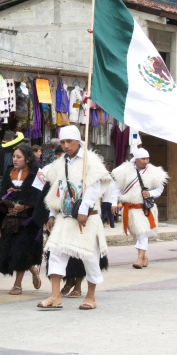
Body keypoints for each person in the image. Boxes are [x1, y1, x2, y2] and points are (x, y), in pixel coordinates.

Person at [36, 125, 111, 310]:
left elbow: (93, 186)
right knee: (56, 253)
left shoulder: (90, 161)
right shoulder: (61, 162)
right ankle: (55, 296)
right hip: (64, 216)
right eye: (63, 142)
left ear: (78, 141)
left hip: (86, 217)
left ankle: (91, 296)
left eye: (69, 141)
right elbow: (56, 188)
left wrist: (84, 209)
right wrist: (52, 214)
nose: (66, 145)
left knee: (90, 257)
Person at [0, 144, 42, 295]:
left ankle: (17, 284)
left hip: (28, 220)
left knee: (21, 249)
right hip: (10, 219)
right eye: (14, 156)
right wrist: (7, 205)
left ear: (27, 159)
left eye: (18, 157)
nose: (15, 159)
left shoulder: (37, 174)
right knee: (12, 249)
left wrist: (25, 206)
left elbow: (38, 196)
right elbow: (2, 192)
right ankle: (34, 270)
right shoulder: (9, 172)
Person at [111, 148, 167, 269]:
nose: (146, 161)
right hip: (130, 208)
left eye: (147, 158)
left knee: (142, 232)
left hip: (144, 208)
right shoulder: (123, 171)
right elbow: (116, 189)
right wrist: (114, 203)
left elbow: (159, 188)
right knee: (136, 234)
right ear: (136, 159)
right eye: (143, 158)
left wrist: (150, 194)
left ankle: (139, 258)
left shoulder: (154, 172)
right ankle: (144, 257)